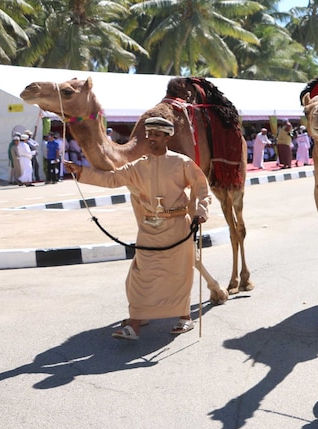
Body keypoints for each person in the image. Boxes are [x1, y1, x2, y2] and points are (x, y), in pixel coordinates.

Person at [64, 117, 211, 341]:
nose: (151, 139)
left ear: (167, 137)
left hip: (178, 227)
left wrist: (201, 210)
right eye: (149, 135)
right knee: (141, 275)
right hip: (149, 227)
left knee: (178, 274)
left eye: (157, 135)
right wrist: (81, 172)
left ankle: (185, 317)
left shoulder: (182, 162)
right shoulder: (139, 165)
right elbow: (112, 179)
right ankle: (134, 324)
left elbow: (202, 187)